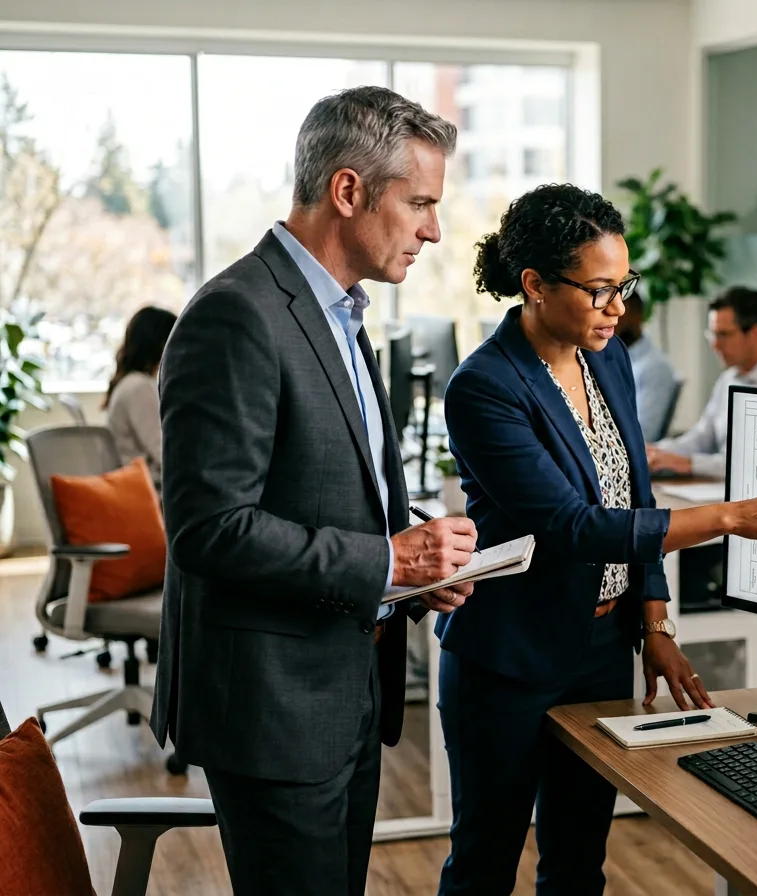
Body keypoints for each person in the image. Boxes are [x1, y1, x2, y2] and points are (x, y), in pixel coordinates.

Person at [437, 183, 757, 895]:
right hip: (510, 658)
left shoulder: (608, 358)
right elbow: (572, 527)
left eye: (623, 286)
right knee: (484, 864)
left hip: (599, 650)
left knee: (578, 859)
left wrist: (653, 620)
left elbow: (636, 495)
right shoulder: (484, 387)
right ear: (533, 285)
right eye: (598, 290)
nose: (617, 308)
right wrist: (725, 516)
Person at [150, 86, 477, 896]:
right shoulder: (237, 316)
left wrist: (418, 562)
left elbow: (338, 487)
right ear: (348, 190)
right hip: (274, 708)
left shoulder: (342, 315)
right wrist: (386, 562)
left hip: (343, 690)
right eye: (421, 204)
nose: (434, 229)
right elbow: (210, 529)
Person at [647, 286, 757, 479]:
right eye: (712, 335)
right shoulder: (729, 379)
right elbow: (702, 438)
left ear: (755, 333)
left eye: (724, 335)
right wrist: (655, 451)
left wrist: (691, 464)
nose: (715, 345)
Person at [103, 305, 177, 492]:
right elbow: (164, 454)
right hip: (147, 490)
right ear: (162, 344)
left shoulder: (131, 382)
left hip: (140, 485)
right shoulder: (140, 388)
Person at [614, 288, 677, 441]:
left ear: (637, 316)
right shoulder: (612, 360)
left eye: (619, 311)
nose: (610, 319)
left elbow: (644, 435)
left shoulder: (653, 368)